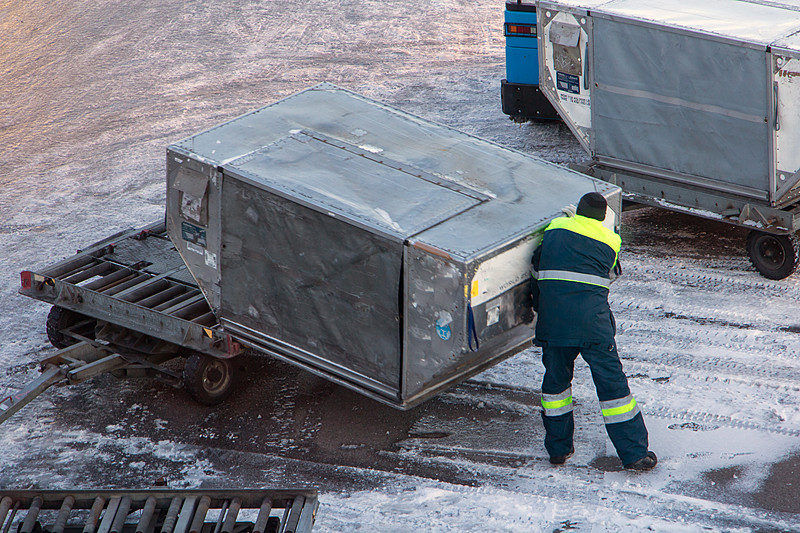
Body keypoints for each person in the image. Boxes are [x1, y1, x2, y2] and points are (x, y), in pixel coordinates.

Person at [530, 192, 657, 470]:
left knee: (556, 388)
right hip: (593, 326)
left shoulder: (552, 230)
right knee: (614, 390)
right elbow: (609, 275)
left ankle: (558, 451)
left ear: (576, 211)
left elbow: (538, 269)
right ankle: (634, 453)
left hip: (555, 325)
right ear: (602, 218)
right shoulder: (610, 242)